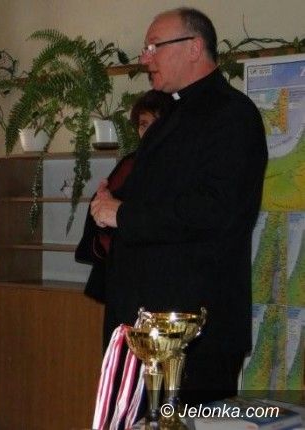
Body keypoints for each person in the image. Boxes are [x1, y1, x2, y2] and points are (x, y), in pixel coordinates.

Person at [90, 8, 267, 405]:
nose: (145, 58)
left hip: (192, 330)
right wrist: (109, 205)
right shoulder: (173, 113)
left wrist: (122, 213)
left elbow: (217, 210)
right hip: (147, 323)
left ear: (194, 47)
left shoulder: (232, 115)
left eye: (155, 46)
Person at [76, 90, 173, 303]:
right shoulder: (131, 163)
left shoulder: (183, 166)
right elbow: (104, 212)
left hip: (166, 277)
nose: (149, 131)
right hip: (127, 275)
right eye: (143, 124)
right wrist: (102, 208)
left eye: (156, 123)